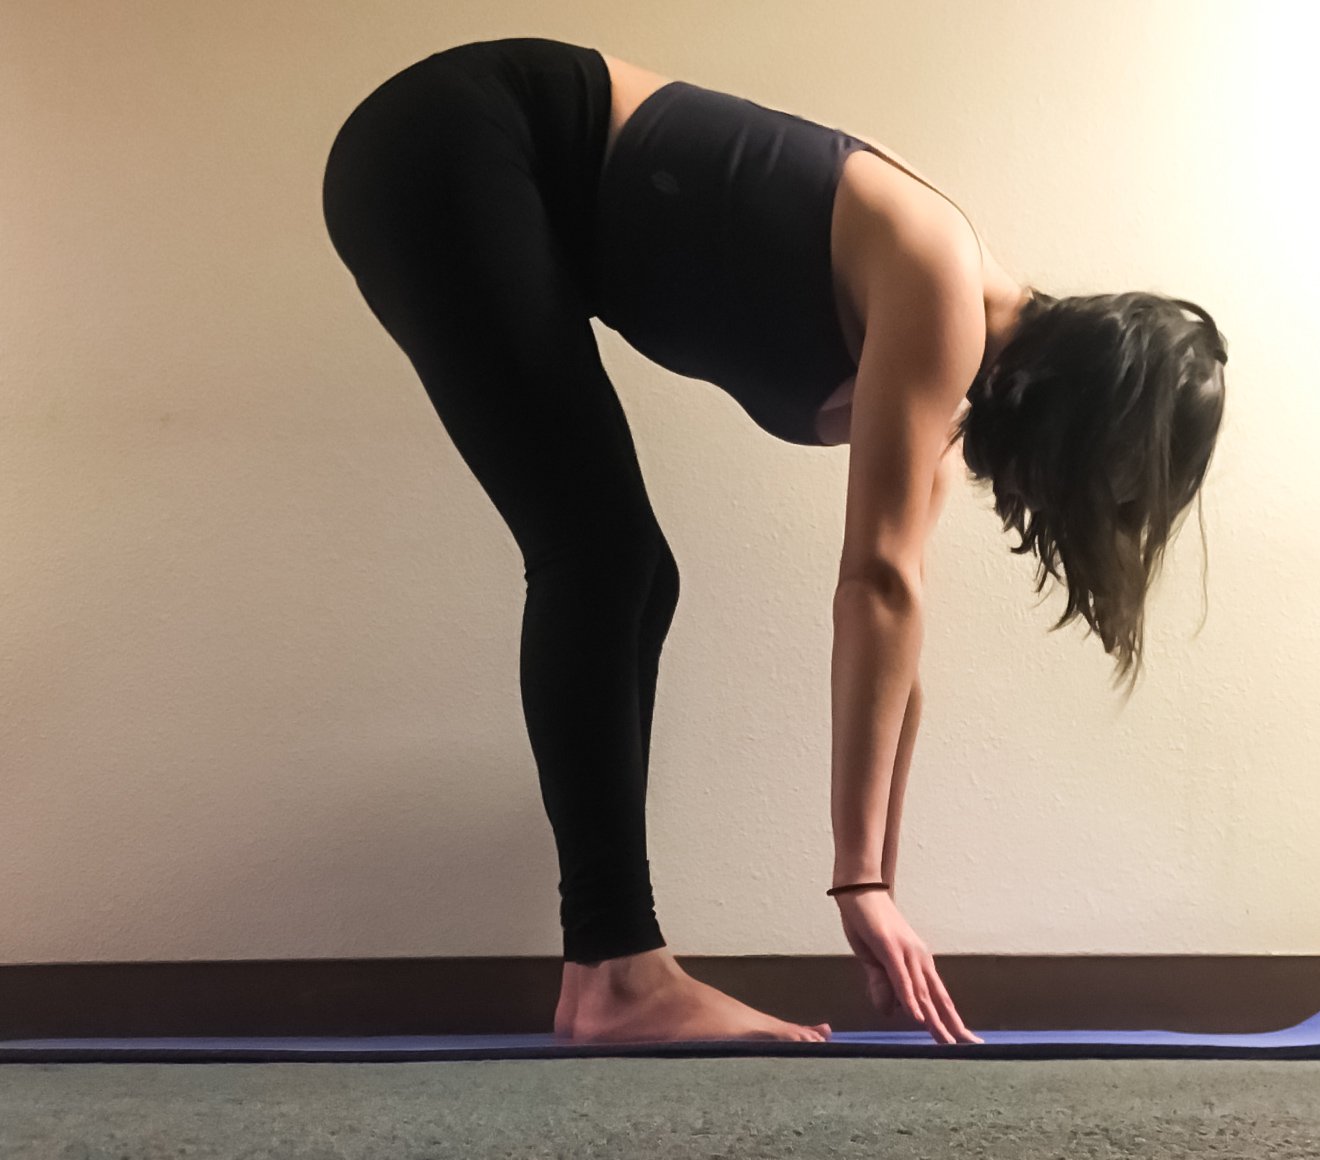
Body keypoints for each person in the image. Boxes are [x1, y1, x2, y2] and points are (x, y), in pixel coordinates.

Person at [321, 37, 1228, 1048]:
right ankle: (617, 974)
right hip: (460, 135)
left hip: (447, 156)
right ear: (1086, 415)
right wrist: (857, 881)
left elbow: (898, 644)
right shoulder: (942, 284)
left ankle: (604, 975)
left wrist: (879, 879)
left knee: (626, 566)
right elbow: (874, 583)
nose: (1047, 503)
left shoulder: (940, 374)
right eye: (1095, 485)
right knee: (603, 555)